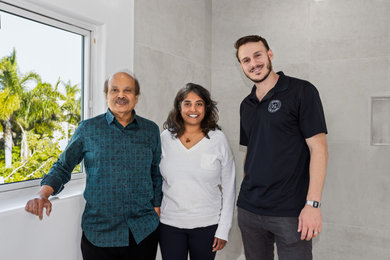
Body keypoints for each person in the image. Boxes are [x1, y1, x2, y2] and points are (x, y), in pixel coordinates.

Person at [25, 71, 162, 260]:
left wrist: (156, 206)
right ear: (106, 95)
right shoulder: (87, 129)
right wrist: (43, 194)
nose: (121, 95)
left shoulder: (151, 130)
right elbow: (63, 166)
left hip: (143, 232)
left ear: (136, 97)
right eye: (114, 90)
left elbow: (155, 172)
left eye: (127, 90)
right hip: (99, 234)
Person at [234, 35, 328, 260]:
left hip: (290, 212)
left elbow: (319, 149)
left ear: (270, 54)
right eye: (246, 60)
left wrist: (312, 204)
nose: (253, 63)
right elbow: (251, 151)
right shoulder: (246, 105)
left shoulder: (301, 91)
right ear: (241, 66)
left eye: (258, 55)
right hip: (249, 209)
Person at [158, 83, 236, 260]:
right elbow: (156, 178)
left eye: (199, 103)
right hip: (170, 225)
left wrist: (223, 229)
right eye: (187, 103)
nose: (193, 109)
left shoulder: (218, 139)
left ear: (206, 108)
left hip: (207, 225)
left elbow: (229, 186)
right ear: (179, 107)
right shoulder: (165, 138)